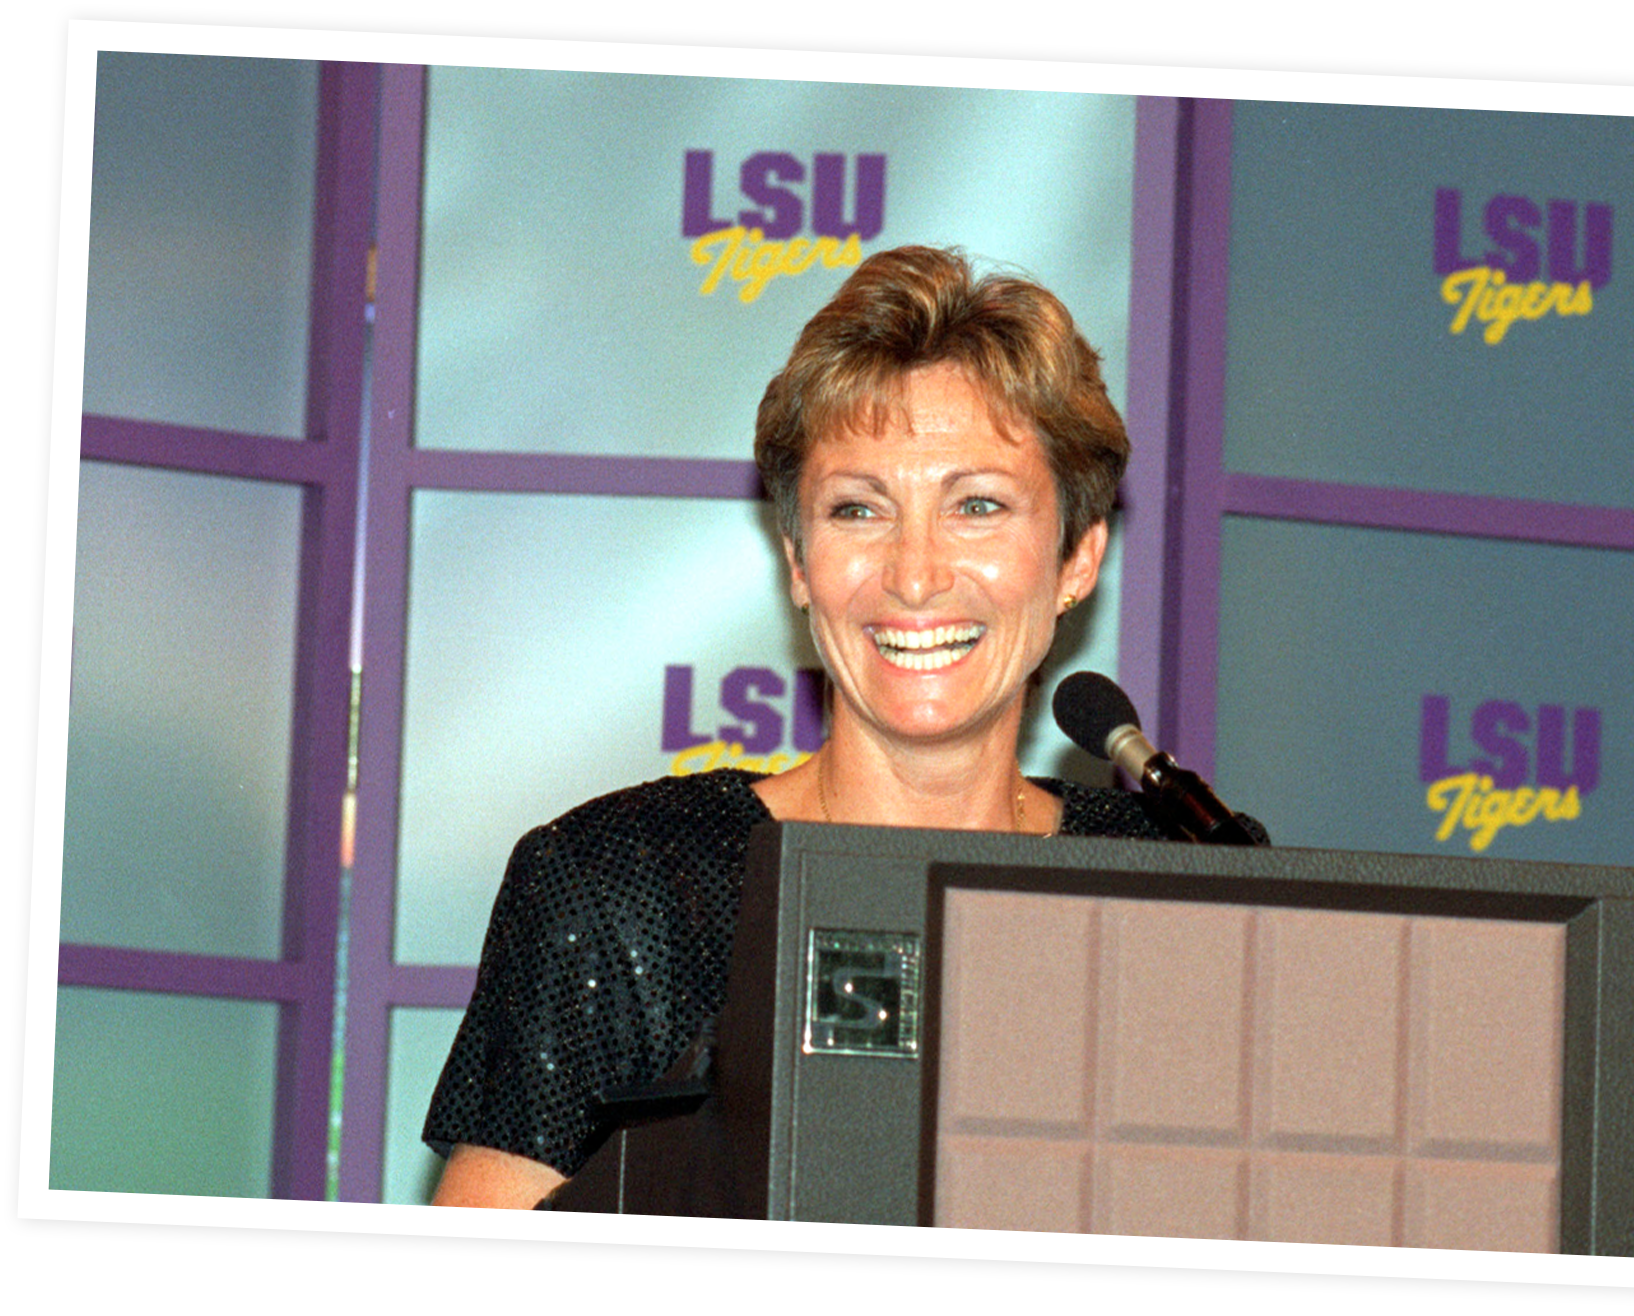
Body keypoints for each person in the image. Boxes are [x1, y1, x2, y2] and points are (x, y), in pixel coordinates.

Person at [424, 245, 1245, 1208]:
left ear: (1077, 559)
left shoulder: (1171, 884)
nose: (914, 573)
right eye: (860, 510)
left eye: (977, 505)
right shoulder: (627, 883)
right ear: (800, 563)